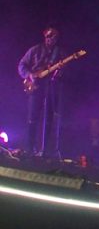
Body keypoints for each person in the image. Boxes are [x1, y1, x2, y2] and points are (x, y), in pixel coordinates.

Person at [17, 26, 65, 157]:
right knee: (32, 118)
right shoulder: (35, 50)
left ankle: (45, 150)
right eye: (49, 36)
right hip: (36, 86)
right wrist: (29, 75)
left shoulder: (59, 52)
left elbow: (62, 73)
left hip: (51, 87)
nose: (51, 39)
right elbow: (21, 65)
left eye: (54, 37)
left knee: (49, 118)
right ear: (45, 36)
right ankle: (29, 149)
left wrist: (59, 70)